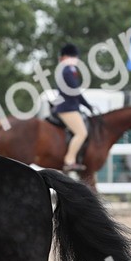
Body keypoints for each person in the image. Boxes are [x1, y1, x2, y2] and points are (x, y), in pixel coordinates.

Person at [51, 43, 92, 172]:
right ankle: (69, 160)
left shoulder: (67, 70)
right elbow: (75, 91)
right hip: (67, 108)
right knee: (82, 133)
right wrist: (87, 105)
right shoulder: (66, 71)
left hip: (70, 106)